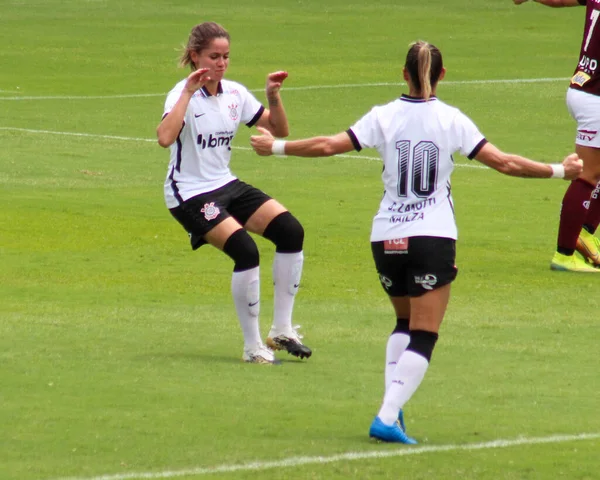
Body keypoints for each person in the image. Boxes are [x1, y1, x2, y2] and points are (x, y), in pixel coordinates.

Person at [251, 40, 583, 442]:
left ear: (404, 74)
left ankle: (394, 409)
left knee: (404, 323)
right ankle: (387, 416)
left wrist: (277, 147)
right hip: (432, 236)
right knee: (425, 333)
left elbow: (327, 145)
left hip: (386, 235)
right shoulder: (451, 119)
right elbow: (505, 162)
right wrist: (559, 171)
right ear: (442, 75)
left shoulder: (383, 116)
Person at [156, 22, 312, 365]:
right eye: (214, 56)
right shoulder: (181, 95)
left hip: (225, 183)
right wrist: (185, 92)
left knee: (291, 231)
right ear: (195, 56)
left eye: (226, 56)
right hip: (189, 193)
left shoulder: (235, 95)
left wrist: (273, 96)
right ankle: (253, 346)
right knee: (245, 250)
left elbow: (280, 130)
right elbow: (165, 137)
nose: (221, 63)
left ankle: (282, 330)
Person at [514, 0, 600, 272]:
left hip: (583, 87)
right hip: (595, 97)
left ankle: (584, 233)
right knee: (588, 175)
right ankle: (564, 254)